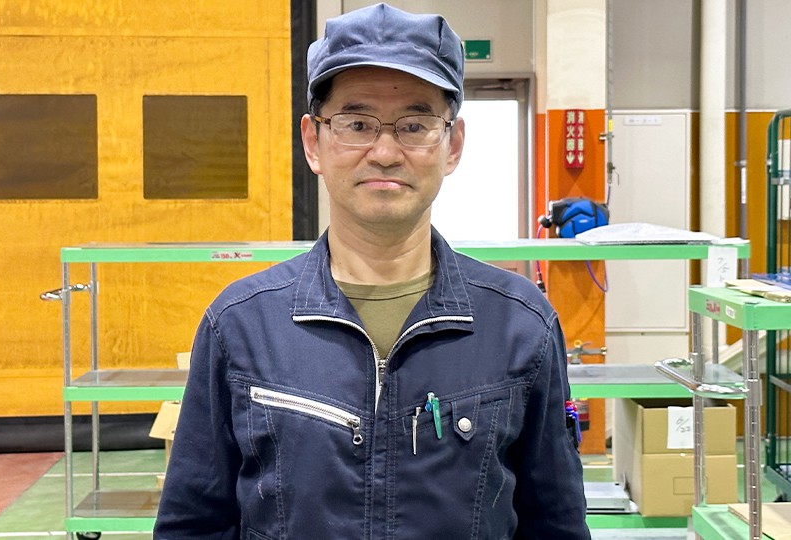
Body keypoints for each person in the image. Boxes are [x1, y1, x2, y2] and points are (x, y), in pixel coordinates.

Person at [154, 3, 590, 539]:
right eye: (357, 124)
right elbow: (193, 525)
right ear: (313, 142)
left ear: (452, 145)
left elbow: (556, 524)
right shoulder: (241, 324)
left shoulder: (520, 324)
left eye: (415, 125)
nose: (384, 152)